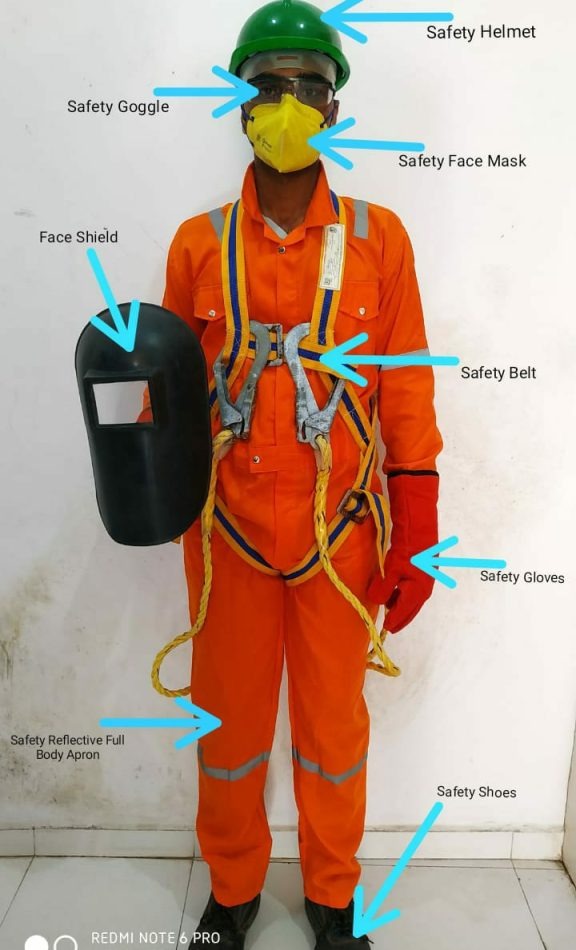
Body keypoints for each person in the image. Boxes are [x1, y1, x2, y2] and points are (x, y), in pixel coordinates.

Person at [147, 1, 442, 946]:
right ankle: (233, 890)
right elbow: (168, 393)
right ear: (242, 104)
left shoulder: (380, 239)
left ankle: (332, 897)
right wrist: (144, 482)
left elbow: (406, 388)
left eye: (307, 85)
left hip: (339, 539)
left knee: (333, 732)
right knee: (228, 730)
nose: (287, 102)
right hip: (227, 535)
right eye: (268, 84)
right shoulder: (198, 244)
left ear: (334, 107)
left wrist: (419, 530)